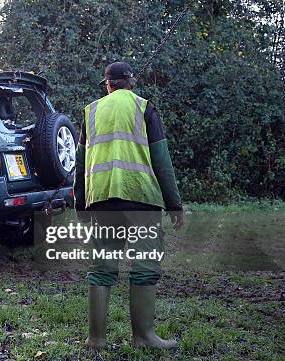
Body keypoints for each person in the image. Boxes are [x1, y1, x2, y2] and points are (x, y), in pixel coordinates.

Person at [73, 62, 185, 349]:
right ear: (131, 83)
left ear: (107, 84)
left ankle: (96, 339)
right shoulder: (144, 108)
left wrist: (80, 204)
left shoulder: (91, 111)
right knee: (145, 264)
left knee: (100, 266)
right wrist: (174, 204)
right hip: (141, 198)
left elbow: (80, 162)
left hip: (101, 199)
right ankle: (144, 337)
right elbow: (161, 160)